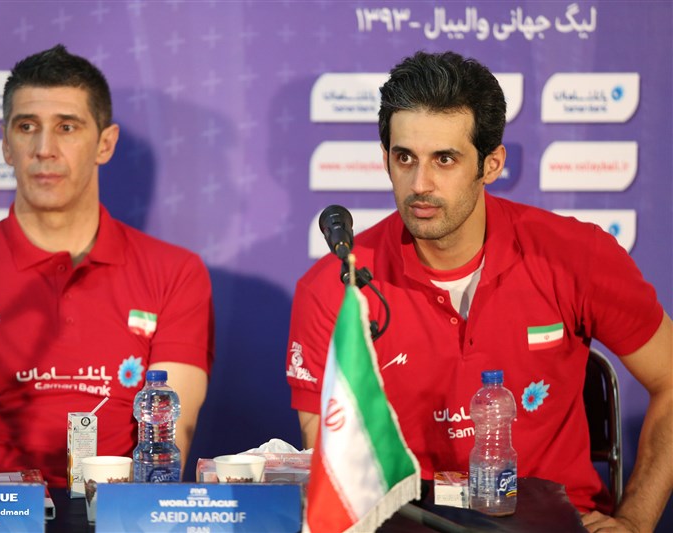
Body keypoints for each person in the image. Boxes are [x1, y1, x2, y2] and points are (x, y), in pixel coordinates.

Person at [286, 51, 671, 532]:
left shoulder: (577, 255)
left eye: (444, 159)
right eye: (404, 158)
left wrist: (634, 520)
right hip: (401, 523)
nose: (420, 184)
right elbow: (332, 465)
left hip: (551, 521)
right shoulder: (334, 286)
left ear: (491, 164)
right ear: (385, 159)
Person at [0, 45, 214, 487]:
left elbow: (165, 449)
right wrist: (11, 511)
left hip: (118, 514)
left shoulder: (176, 273)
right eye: (27, 127)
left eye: (67, 127)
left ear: (105, 143)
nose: (44, 149)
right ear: (6, 144)